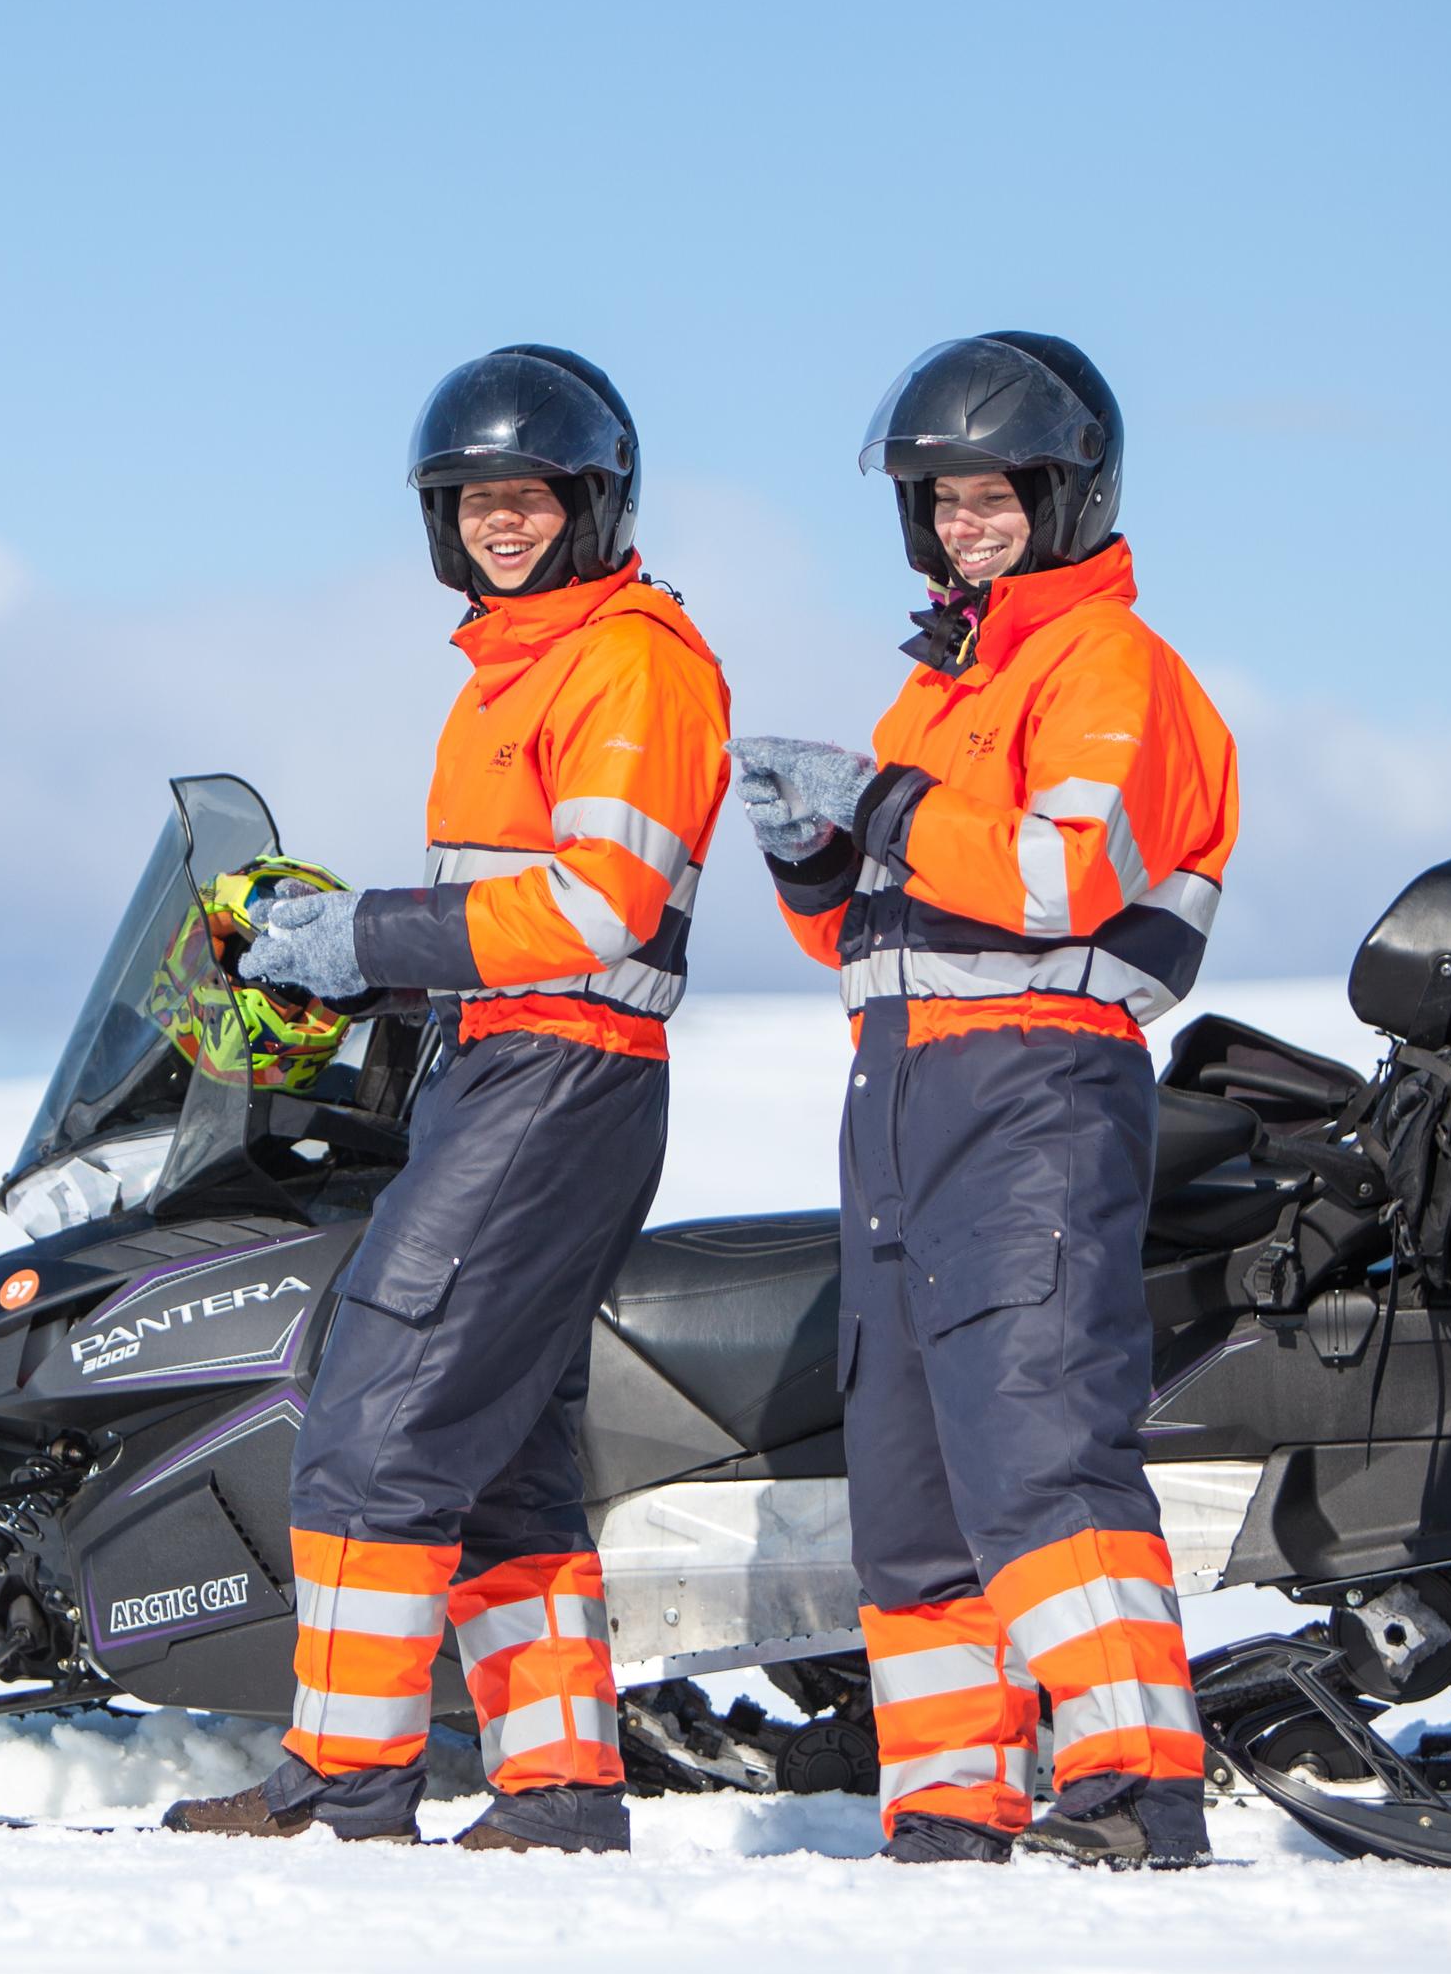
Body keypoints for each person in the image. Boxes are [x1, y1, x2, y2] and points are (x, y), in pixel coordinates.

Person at [164, 345, 730, 1853]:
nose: (500, 522)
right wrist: (353, 970)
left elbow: (600, 902)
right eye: (474, 499)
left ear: (592, 502)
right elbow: (503, 906)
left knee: (376, 1424)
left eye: (530, 496)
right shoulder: (515, 673)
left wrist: (365, 936)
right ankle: (558, 1794)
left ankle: (343, 1780)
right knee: (500, 1462)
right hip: (505, 1067)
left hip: (559, 1075)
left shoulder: (633, 662)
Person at [728, 333, 1238, 1867]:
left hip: (1035, 1092)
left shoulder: (1112, 671)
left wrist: (875, 805)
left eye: (995, 494)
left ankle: (1138, 1783)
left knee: (1035, 1441)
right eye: (943, 500)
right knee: (912, 1483)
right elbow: (872, 939)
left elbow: (1056, 874)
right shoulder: (941, 687)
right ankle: (951, 1807)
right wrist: (813, 857)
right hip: (899, 1100)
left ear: (1068, 493)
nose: (967, 523)